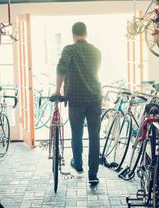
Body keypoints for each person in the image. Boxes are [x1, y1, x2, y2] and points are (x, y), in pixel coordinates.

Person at [52, 22, 102, 184]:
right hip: (95, 97)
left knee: (77, 134)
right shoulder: (96, 51)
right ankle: (93, 175)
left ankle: (78, 165)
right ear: (86, 33)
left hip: (76, 99)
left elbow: (61, 68)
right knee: (94, 136)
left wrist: (58, 89)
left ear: (73, 34)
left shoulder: (69, 49)